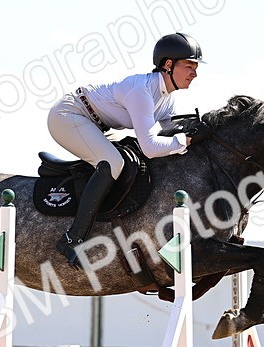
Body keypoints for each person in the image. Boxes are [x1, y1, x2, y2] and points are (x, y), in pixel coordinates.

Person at [47, 32, 209, 269]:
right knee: (113, 163)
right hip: (68, 115)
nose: (194, 73)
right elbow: (151, 147)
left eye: (195, 67)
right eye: (189, 66)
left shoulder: (166, 98)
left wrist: (197, 131)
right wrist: (187, 140)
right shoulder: (141, 91)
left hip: (94, 123)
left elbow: (170, 133)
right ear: (168, 65)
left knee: (130, 160)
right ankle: (73, 239)